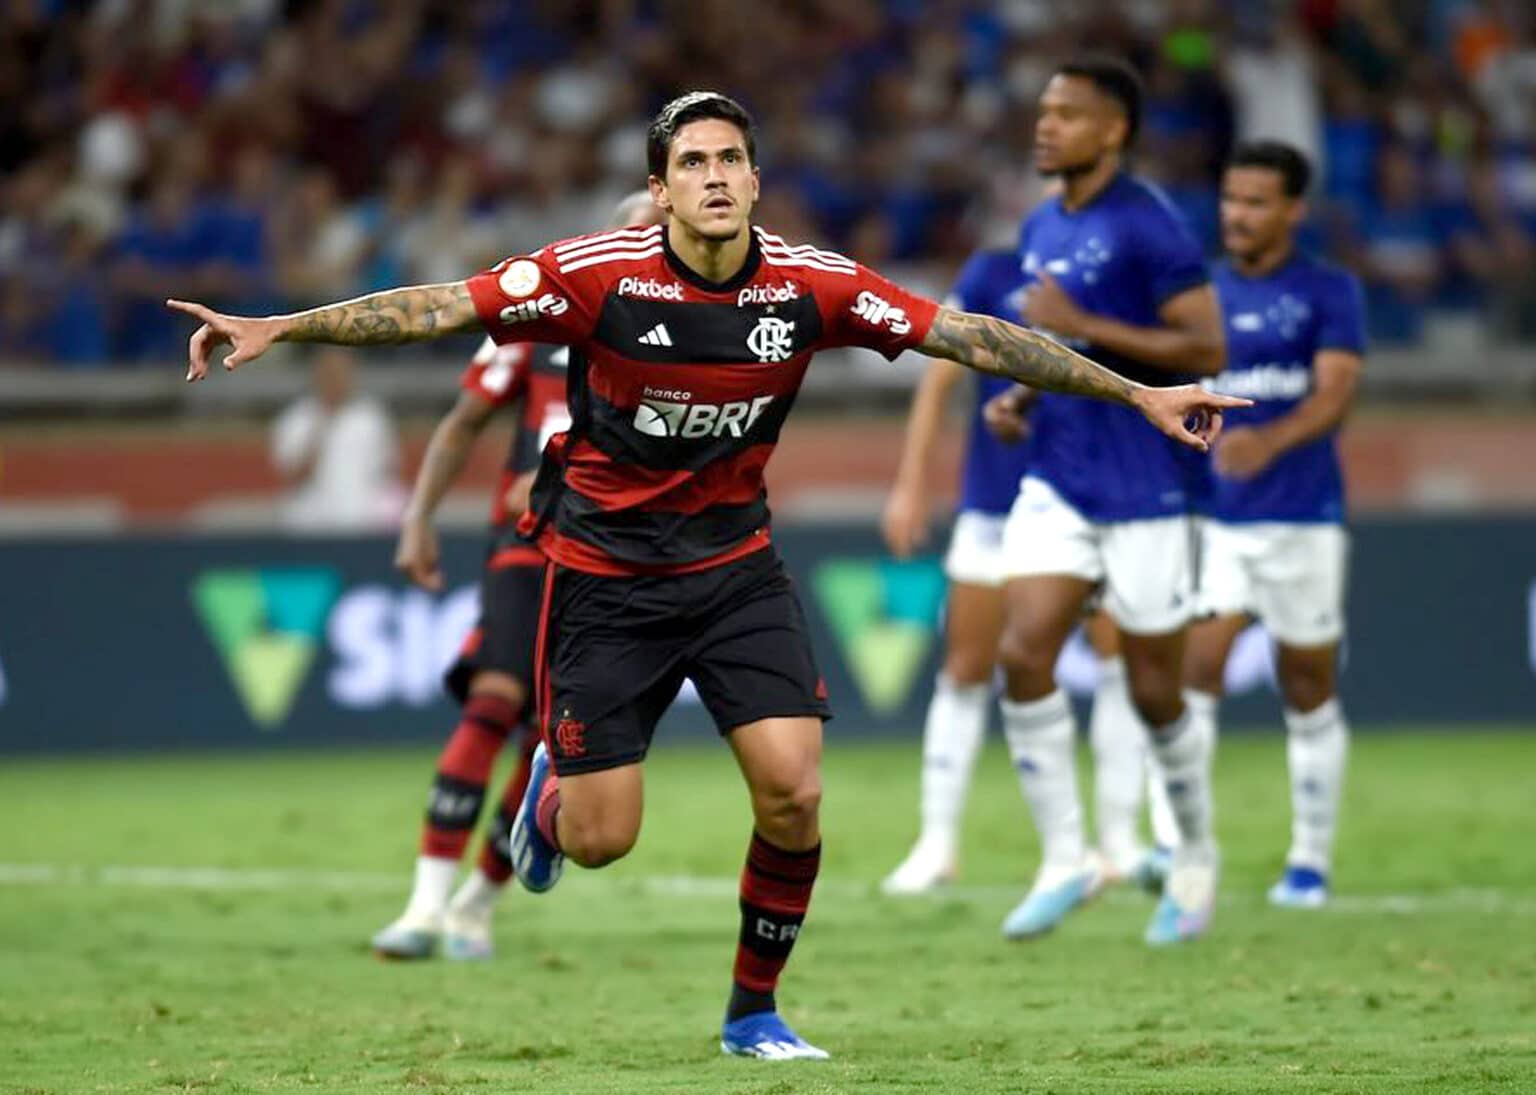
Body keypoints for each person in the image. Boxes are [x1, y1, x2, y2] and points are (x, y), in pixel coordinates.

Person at [168, 91, 1243, 1061]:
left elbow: (969, 337)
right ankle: (546, 807)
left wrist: (1138, 394)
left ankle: (752, 1013)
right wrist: (283, 326)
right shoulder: (596, 276)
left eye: (732, 158)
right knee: (602, 841)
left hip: (736, 571)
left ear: (756, 181)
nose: (716, 176)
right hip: (602, 581)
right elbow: (440, 305)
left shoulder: (813, 286)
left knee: (795, 791)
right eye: (693, 162)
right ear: (660, 187)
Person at [371, 192, 664, 962]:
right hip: (528, 550)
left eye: (655, 233)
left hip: (616, 559)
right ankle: (425, 905)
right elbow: (464, 421)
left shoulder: (692, 343)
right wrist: (418, 517)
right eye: (631, 228)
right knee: (494, 701)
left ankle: (478, 901)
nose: (643, 240)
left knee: (550, 739)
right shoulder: (541, 321)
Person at [982, 56, 1229, 946]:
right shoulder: (1043, 222)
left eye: (1068, 115)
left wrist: (1086, 327)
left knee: (1158, 691)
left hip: (1152, 486)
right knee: (1022, 652)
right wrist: (1024, 396)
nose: (1046, 127)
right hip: (1061, 473)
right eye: (1043, 112)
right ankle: (1067, 858)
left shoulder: (1150, 225)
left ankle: (1195, 854)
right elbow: (1058, 344)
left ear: (1113, 130)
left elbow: (1206, 342)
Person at [878, 249, 1181, 897]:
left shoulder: (1121, 276)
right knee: (965, 666)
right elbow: (939, 379)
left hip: (1090, 500)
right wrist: (910, 484)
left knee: (1117, 660)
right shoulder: (991, 271)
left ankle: (1119, 841)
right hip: (993, 500)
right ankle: (936, 843)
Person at [1184, 141, 1366, 910]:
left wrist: (1270, 438)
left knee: (1307, 685)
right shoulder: (1202, 295)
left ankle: (1309, 859)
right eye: (1231, 198)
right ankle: (1184, 847)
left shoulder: (1329, 289)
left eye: (1256, 201)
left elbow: (1335, 394)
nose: (1238, 214)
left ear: (1293, 210)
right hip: (1219, 520)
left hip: (1304, 517)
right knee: (1198, 664)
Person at [270, 347, 403, 531]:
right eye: (330, 373)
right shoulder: (297, 419)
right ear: (317, 374)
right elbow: (294, 476)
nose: (336, 380)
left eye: (342, 372)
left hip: (362, 521)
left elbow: (388, 472)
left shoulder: (371, 417)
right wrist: (321, 426)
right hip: (309, 524)